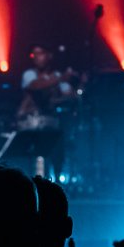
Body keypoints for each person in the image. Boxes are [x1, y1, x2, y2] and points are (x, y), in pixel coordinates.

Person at [16, 44, 79, 178]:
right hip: (30, 123)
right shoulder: (29, 74)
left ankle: (56, 182)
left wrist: (78, 88)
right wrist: (61, 78)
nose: (37, 57)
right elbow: (35, 86)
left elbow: (67, 94)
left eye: (41, 53)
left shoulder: (56, 75)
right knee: (32, 157)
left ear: (49, 56)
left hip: (50, 123)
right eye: (34, 54)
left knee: (57, 151)